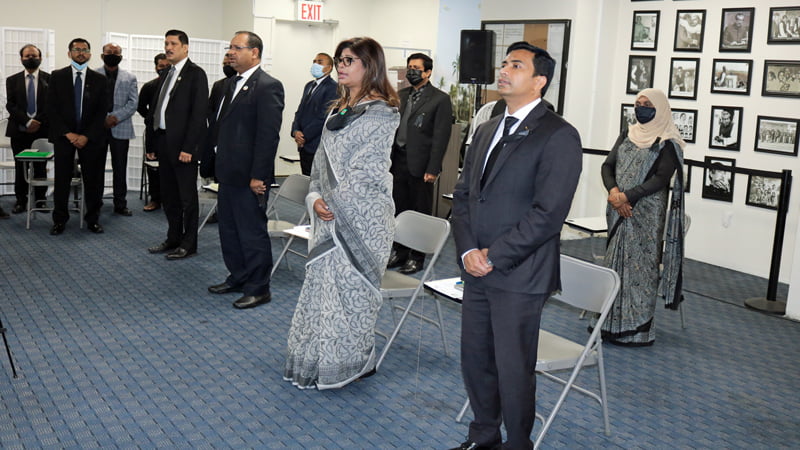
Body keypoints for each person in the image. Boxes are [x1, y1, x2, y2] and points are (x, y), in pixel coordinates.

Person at [450, 42, 582, 450]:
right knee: (476, 359)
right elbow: (464, 195)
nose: (504, 70)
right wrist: (468, 251)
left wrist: (494, 255)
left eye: (516, 66)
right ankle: (484, 434)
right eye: (504, 63)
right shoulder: (487, 128)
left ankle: (518, 442)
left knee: (512, 368)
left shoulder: (559, 135)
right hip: (476, 268)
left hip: (520, 273)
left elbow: (548, 213)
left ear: (540, 80)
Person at [284, 37, 400, 390]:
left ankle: (354, 362)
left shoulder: (382, 113)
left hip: (362, 219)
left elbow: (367, 171)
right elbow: (321, 162)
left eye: (349, 60)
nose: (341, 66)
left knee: (352, 295)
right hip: (329, 213)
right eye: (339, 60)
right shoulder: (339, 109)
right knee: (322, 290)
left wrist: (331, 202)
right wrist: (314, 196)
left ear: (370, 65)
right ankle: (320, 360)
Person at [592, 88, 685, 347]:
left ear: (661, 109)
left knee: (641, 270)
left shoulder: (668, 142)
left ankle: (636, 328)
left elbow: (660, 179)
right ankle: (608, 323)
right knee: (614, 263)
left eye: (648, 104)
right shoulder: (628, 134)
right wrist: (615, 193)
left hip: (646, 213)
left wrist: (627, 197)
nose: (641, 108)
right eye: (638, 103)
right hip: (618, 209)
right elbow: (607, 166)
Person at [207, 31, 284, 310]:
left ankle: (259, 288)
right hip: (228, 172)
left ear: (254, 52)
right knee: (229, 231)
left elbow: (268, 136)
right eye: (230, 47)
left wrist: (258, 176)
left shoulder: (268, 86)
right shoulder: (230, 84)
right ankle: (238, 277)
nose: (231, 52)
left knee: (251, 233)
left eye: (237, 47)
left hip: (249, 176)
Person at [387, 52, 453, 275]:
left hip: (421, 166)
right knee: (399, 209)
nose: (412, 72)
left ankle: (417, 257)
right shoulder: (401, 95)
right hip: (398, 160)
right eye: (410, 67)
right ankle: (400, 251)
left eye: (416, 68)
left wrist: (433, 168)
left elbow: (441, 137)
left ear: (428, 72)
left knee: (420, 211)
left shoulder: (440, 99)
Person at [146, 30, 208, 260]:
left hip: (183, 148)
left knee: (187, 198)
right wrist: (152, 144)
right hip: (164, 142)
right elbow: (156, 110)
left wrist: (189, 148)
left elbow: (198, 114)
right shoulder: (166, 73)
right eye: (166, 43)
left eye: (173, 43)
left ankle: (188, 243)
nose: (168, 48)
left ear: (185, 47)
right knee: (169, 196)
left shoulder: (196, 74)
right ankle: (173, 237)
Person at [47, 38, 108, 235]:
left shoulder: (100, 79)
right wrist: (68, 133)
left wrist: (86, 136)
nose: (81, 53)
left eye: (84, 50)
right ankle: (59, 220)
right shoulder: (57, 76)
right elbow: (51, 108)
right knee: (62, 180)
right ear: (69, 53)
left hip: (90, 138)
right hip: (64, 136)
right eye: (76, 49)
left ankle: (93, 219)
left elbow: (102, 111)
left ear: (90, 54)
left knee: (93, 181)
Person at [5, 44, 50, 215]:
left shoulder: (50, 79)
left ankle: (41, 200)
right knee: (20, 167)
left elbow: (52, 105)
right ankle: (21, 201)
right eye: (27, 56)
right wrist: (28, 121)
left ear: (40, 58)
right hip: (19, 130)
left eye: (34, 56)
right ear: (21, 59)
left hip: (42, 131)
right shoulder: (12, 80)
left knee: (40, 166)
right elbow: (11, 105)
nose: (31, 58)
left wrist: (37, 121)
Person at [96, 42, 138, 217]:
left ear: (121, 56)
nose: (112, 55)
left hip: (121, 127)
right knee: (96, 168)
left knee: (120, 168)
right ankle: (95, 202)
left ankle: (120, 204)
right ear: (102, 55)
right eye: (109, 52)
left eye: (116, 52)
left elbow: (133, 103)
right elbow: (89, 102)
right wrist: (103, 118)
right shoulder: (93, 75)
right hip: (98, 129)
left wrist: (115, 117)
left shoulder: (130, 78)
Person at [291, 52, 338, 176]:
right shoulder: (309, 86)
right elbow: (300, 111)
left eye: (320, 62)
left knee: (315, 181)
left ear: (329, 68)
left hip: (315, 144)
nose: (315, 64)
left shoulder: (333, 87)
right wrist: (295, 131)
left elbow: (323, 117)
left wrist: (304, 137)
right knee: (306, 179)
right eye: (314, 61)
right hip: (303, 145)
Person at [137, 53, 170, 212]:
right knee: (153, 167)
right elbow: (140, 107)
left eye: (167, 66)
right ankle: (155, 199)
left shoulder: (179, 86)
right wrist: (152, 119)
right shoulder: (149, 86)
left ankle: (171, 199)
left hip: (174, 134)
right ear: (156, 67)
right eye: (160, 66)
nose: (163, 69)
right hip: (154, 134)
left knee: (172, 168)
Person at [199, 50, 235, 183]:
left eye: (228, 63)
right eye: (224, 64)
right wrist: (214, 124)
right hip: (216, 133)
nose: (226, 66)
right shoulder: (219, 85)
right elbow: (210, 108)